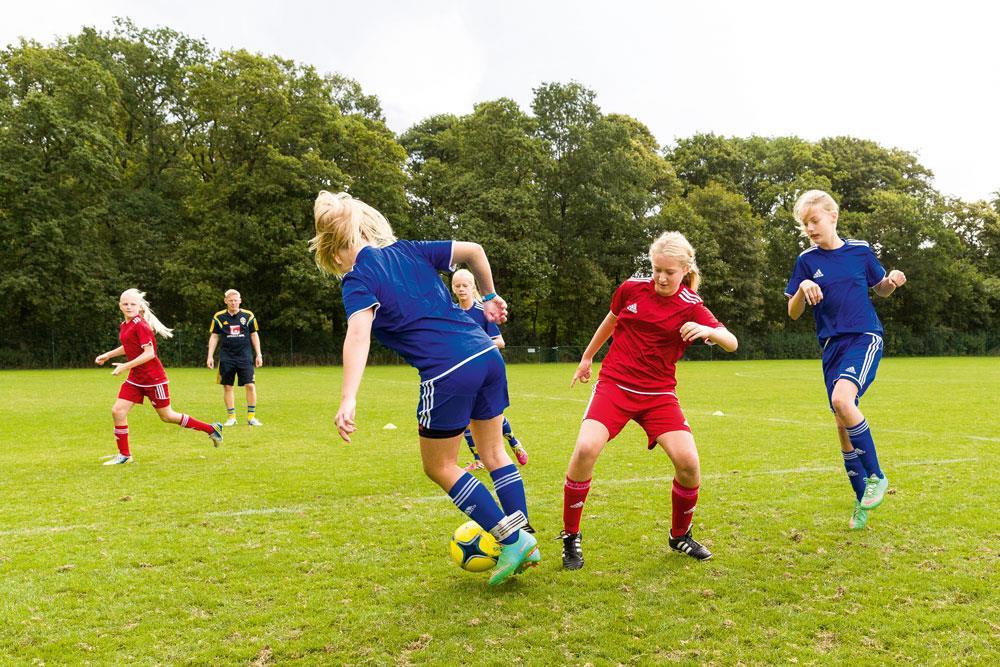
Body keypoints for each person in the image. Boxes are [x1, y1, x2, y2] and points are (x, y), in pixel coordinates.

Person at [309, 190, 539, 586]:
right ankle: (526, 537)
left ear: (334, 248)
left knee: (439, 466)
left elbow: (358, 335)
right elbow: (474, 250)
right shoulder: (409, 249)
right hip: (487, 355)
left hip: (447, 370)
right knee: (494, 450)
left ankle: (510, 538)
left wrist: (348, 397)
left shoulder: (357, 278)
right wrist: (490, 295)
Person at [560, 231, 738, 570]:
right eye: (656, 269)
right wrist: (587, 358)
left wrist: (710, 332)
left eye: (669, 272)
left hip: (658, 396)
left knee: (688, 463)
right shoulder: (630, 290)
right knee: (585, 449)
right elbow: (610, 322)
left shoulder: (692, 307)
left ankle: (679, 535)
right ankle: (571, 537)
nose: (660, 277)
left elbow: (732, 342)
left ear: (685, 269)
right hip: (614, 386)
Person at [785, 190, 906, 530]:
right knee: (842, 425)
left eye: (814, 220)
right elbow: (793, 312)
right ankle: (861, 502)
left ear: (833, 217)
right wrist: (802, 288)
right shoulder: (805, 261)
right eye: (804, 223)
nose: (810, 228)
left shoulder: (860, 250)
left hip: (864, 336)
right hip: (831, 347)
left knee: (842, 399)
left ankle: (878, 477)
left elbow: (879, 287)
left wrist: (892, 282)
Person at [95, 289, 223, 465]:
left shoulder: (141, 325)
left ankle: (211, 429)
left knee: (167, 416)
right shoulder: (126, 325)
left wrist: (125, 366)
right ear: (120, 306)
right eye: (125, 304)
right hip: (136, 378)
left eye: (133, 304)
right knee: (118, 411)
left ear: (139, 306)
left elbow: (149, 354)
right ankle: (124, 455)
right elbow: (129, 346)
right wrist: (108, 355)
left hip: (154, 379)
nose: (129, 307)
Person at [450, 269, 529, 471]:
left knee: (492, 415)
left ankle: (514, 443)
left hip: (485, 372)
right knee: (466, 418)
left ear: (473, 287)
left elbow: (499, 342)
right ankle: (479, 459)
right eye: (456, 285)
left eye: (464, 285)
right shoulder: (452, 312)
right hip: (463, 373)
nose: (461, 289)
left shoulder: (481, 311)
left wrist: (476, 346)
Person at [207, 289, 263, 426]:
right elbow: (214, 336)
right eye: (230, 300)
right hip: (227, 357)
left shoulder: (248, 316)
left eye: (235, 300)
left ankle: (251, 417)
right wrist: (210, 356)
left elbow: (254, 335)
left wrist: (259, 354)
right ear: (225, 301)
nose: (233, 303)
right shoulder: (219, 317)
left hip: (245, 356)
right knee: (228, 386)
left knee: (250, 385)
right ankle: (231, 417)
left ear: (240, 300)